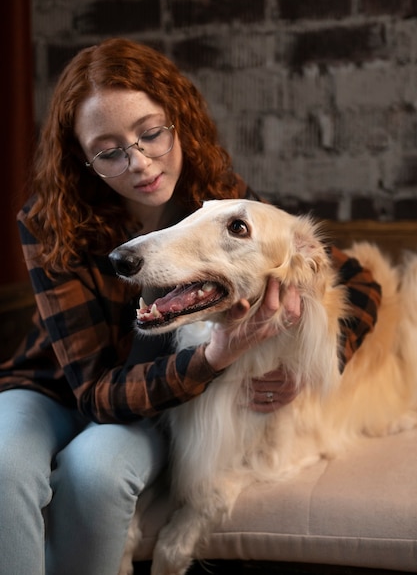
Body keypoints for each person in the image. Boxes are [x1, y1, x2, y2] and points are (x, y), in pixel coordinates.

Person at [0, 37, 381, 575]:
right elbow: (91, 390)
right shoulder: (47, 220)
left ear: (177, 120)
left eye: (151, 133)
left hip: (151, 401)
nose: (140, 162)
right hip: (59, 385)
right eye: (109, 151)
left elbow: (356, 277)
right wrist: (212, 360)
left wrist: (317, 361)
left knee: (98, 472)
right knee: (2, 465)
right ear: (81, 159)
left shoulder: (215, 194)